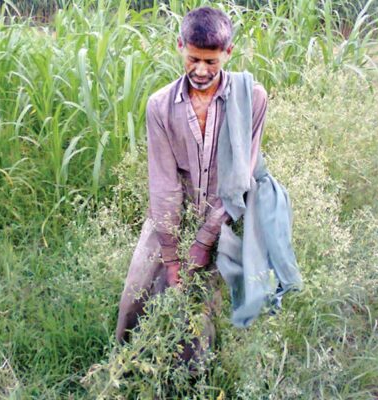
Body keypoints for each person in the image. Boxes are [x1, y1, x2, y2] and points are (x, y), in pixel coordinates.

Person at [115, 6, 268, 357]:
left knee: (201, 310)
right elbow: (164, 183)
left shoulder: (252, 99)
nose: (201, 70)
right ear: (180, 46)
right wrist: (172, 257)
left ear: (228, 53)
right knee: (136, 295)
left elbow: (240, 176)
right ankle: (125, 368)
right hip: (171, 213)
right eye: (193, 59)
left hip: (223, 212)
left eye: (211, 62)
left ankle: (191, 380)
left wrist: (204, 239)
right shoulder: (160, 105)